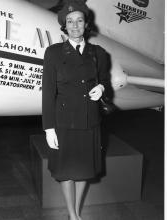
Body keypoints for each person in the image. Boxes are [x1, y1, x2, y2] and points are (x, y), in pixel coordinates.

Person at [42, 0, 111, 219]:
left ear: (86, 24)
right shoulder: (53, 53)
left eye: (79, 20)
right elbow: (47, 93)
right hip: (64, 122)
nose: (74, 25)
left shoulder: (98, 53)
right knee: (65, 172)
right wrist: (49, 128)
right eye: (70, 21)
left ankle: (76, 210)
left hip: (89, 121)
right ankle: (73, 215)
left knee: (84, 170)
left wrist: (101, 87)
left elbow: (105, 80)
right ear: (64, 25)